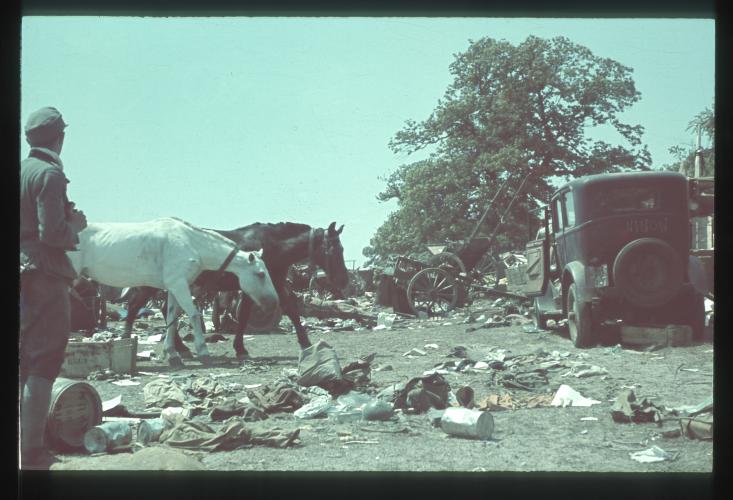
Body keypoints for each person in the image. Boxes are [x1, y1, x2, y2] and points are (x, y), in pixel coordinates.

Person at [19, 107, 87, 469]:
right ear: (61, 138)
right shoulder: (50, 174)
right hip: (43, 274)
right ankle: (31, 453)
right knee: (42, 361)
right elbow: (52, 234)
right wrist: (74, 225)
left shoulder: (22, 169)